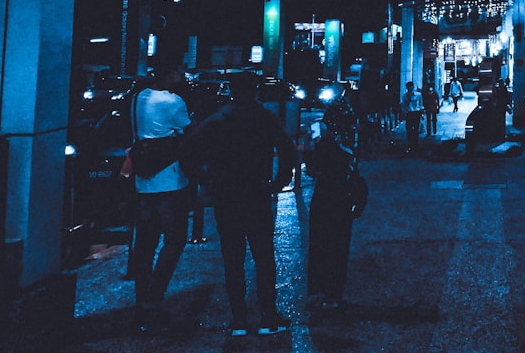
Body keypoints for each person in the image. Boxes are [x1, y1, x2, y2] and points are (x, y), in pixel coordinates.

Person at [179, 71, 297, 337]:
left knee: (233, 257)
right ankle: (268, 314)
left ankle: (239, 318)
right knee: (264, 256)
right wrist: (278, 183)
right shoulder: (266, 118)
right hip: (257, 193)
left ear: (231, 90)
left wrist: (205, 179)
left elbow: (187, 152)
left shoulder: (218, 120)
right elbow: (288, 152)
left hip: (227, 196)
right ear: (255, 91)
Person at [130, 61, 192, 333]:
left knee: (145, 243)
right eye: (178, 70)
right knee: (175, 240)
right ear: (168, 73)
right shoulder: (173, 101)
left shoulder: (138, 98)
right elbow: (189, 130)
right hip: (168, 178)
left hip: (142, 179)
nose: (182, 75)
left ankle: (141, 301)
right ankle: (153, 302)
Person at [304, 112, 366, 311]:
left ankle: (319, 292)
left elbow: (312, 167)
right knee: (338, 249)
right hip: (341, 201)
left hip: (324, 200)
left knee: (319, 247)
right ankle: (333, 294)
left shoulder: (324, 147)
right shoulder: (346, 150)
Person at [401, 80, 425, 152]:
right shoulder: (405, 96)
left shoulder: (418, 95)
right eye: (408, 87)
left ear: (413, 87)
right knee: (409, 129)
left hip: (416, 113)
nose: (410, 89)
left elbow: (421, 104)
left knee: (416, 128)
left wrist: (422, 114)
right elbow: (404, 105)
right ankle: (410, 143)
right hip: (409, 113)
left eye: (411, 87)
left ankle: (415, 142)